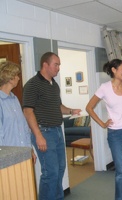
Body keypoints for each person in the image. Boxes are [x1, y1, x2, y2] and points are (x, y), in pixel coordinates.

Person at [23, 52, 81, 200]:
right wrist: (38, 136)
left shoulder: (53, 84)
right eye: (56, 64)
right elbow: (28, 111)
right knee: (51, 172)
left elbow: (58, 106)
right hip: (44, 132)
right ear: (45, 65)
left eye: (59, 64)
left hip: (57, 131)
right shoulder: (32, 84)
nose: (58, 68)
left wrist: (70, 110)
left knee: (60, 169)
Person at [86, 58, 122, 200]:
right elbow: (89, 107)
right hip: (115, 134)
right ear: (114, 70)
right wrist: (102, 123)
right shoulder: (104, 88)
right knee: (120, 171)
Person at [0, 61, 36, 162]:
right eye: (16, 75)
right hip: (8, 156)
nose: (18, 78)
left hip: (22, 153)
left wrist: (29, 150)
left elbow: (24, 127)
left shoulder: (14, 99)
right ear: (10, 78)